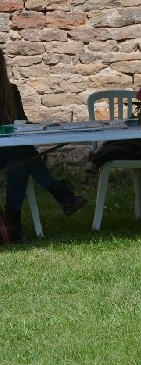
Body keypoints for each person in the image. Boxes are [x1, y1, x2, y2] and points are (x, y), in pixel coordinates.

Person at [0, 54, 87, 243]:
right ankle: (62, 195)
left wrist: (40, 126)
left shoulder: (11, 91)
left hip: (8, 152)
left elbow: (20, 121)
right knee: (23, 151)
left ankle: (13, 228)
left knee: (19, 164)